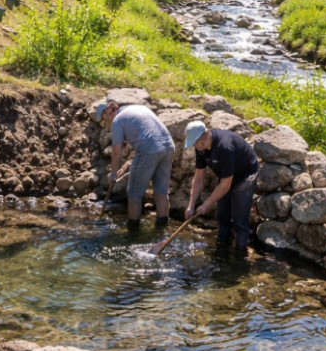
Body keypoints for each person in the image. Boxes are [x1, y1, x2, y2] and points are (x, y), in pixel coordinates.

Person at [96, 101, 175, 229]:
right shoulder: (137, 108)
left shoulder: (117, 121)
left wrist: (114, 174)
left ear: (107, 112)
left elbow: (116, 152)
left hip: (149, 150)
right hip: (169, 146)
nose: (107, 123)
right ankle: (162, 231)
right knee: (161, 192)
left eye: (105, 120)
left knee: (134, 194)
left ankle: (132, 232)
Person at [184, 122, 259, 251]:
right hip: (227, 175)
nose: (194, 147)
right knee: (222, 215)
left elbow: (225, 185)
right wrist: (191, 205)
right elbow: (199, 178)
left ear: (202, 139)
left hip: (246, 176)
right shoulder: (201, 148)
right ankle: (222, 248)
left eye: (194, 143)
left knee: (239, 219)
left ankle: (241, 253)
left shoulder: (224, 147)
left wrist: (207, 204)